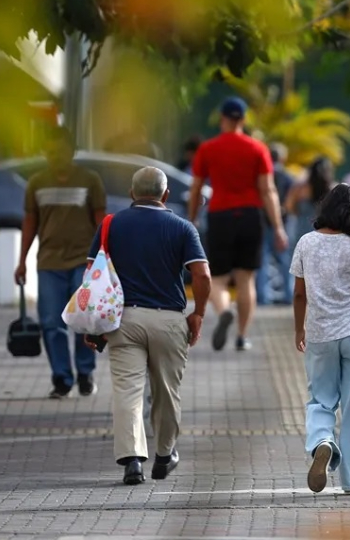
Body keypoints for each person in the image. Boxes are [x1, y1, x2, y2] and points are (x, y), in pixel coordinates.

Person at [83, 167, 211, 485]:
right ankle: (164, 456)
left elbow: (91, 275)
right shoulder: (182, 227)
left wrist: (94, 323)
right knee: (167, 392)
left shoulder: (110, 225)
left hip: (123, 320)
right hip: (168, 320)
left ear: (131, 193)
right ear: (166, 195)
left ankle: (132, 461)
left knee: (128, 390)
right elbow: (203, 275)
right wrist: (198, 313)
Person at [291, 183, 350, 495]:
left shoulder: (306, 243)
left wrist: (299, 329)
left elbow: (299, 293)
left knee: (320, 399)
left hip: (320, 333)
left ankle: (322, 442)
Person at [188, 97, 288, 352]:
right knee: (246, 279)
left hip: (220, 215)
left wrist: (191, 220)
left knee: (219, 279)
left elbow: (196, 188)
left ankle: (223, 311)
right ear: (243, 120)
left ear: (222, 119)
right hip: (251, 216)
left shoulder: (208, 149)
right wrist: (277, 226)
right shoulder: (257, 149)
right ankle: (242, 336)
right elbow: (268, 190)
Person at [15, 126, 106, 399]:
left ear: (72, 151)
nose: (56, 157)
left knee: (84, 322)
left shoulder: (90, 180)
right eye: (51, 152)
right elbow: (30, 223)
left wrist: (104, 260)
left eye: (61, 151)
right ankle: (62, 378)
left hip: (84, 263)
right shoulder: (37, 183)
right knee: (51, 323)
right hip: (49, 264)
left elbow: (101, 222)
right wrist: (22, 261)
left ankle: (85, 372)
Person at [256, 143, 296, 305]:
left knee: (262, 262)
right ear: (282, 158)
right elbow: (290, 202)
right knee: (285, 262)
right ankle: (289, 295)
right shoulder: (287, 177)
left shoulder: (262, 174)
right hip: (281, 223)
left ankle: (263, 297)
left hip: (262, 223)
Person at [285, 156, 336, 248]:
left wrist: (300, 213)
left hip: (301, 233)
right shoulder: (333, 190)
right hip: (325, 235)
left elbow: (289, 206)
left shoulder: (300, 187)